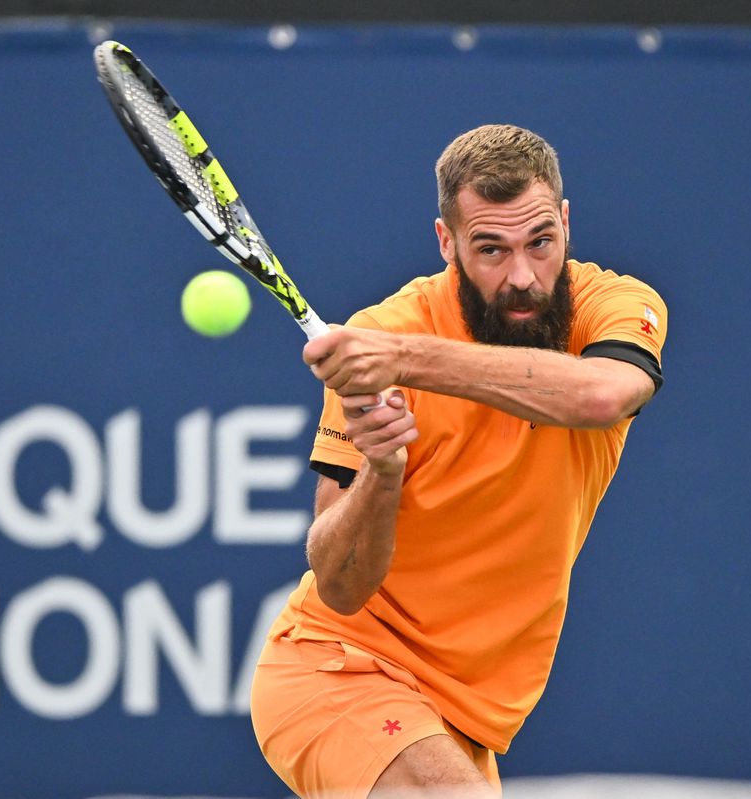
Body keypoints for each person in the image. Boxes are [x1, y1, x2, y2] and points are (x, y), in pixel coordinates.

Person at [249, 123, 668, 798]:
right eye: (491, 250)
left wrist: (411, 363)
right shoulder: (385, 331)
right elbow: (340, 585)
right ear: (447, 243)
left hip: (462, 720)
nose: (523, 276)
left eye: (540, 241)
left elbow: (601, 395)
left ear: (566, 223)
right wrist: (383, 472)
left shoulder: (614, 305)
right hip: (343, 669)